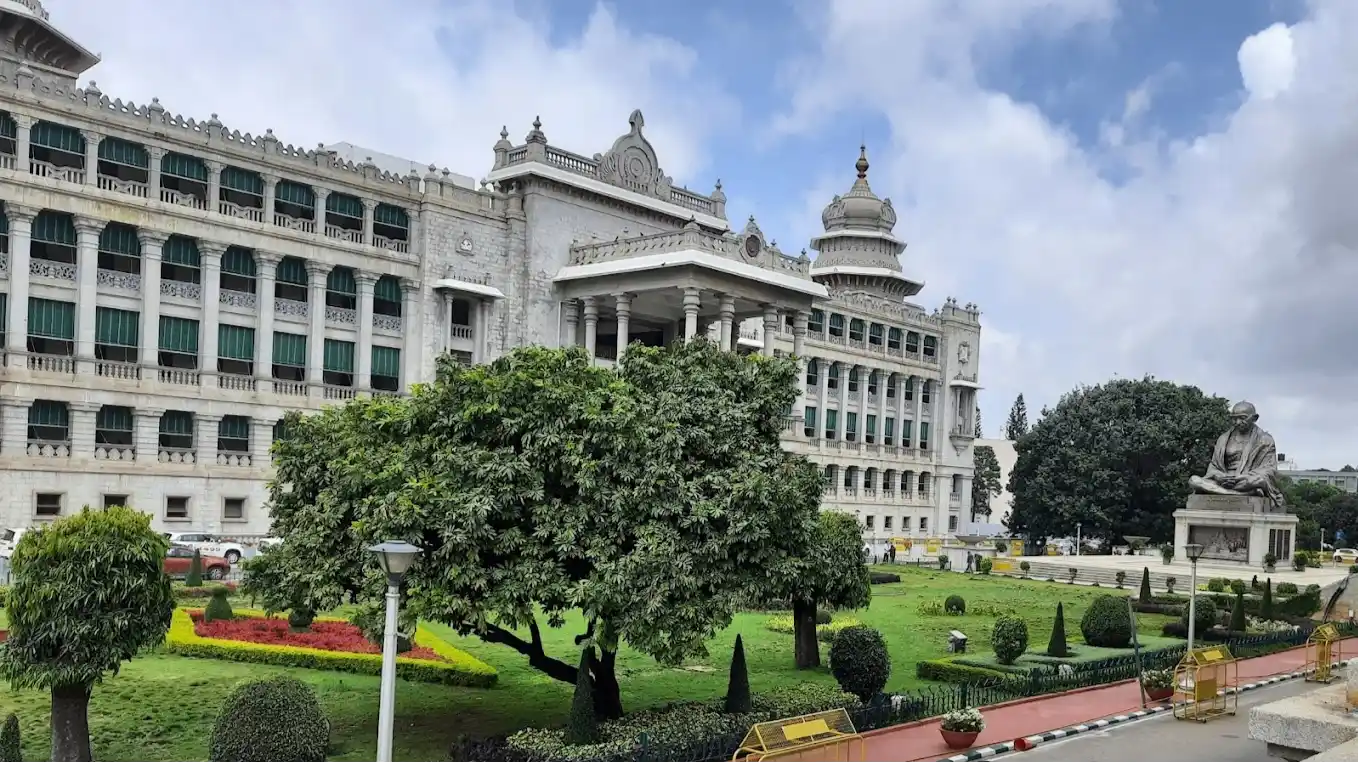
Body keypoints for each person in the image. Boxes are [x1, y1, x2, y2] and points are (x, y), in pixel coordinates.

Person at [1188, 401, 1285, 509]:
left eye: (1243, 418)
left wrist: (1240, 477)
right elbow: (1214, 466)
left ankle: (1225, 493)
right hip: (1224, 480)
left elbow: (1269, 469)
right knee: (1194, 480)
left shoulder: (1265, 440)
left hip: (1246, 480)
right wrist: (1218, 476)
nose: (1238, 422)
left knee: (1258, 481)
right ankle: (1241, 494)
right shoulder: (1223, 438)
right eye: (1234, 418)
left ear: (1254, 418)